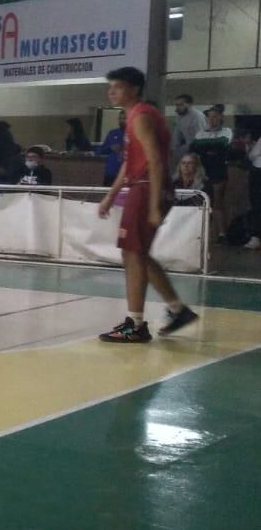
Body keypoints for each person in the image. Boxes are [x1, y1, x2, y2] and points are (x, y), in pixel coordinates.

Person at [96, 67, 198, 343]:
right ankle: (175, 310)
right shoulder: (134, 117)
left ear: (134, 89)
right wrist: (110, 195)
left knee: (133, 253)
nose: (112, 91)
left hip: (146, 189)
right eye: (111, 87)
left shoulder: (141, 115)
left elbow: (155, 160)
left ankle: (136, 324)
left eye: (117, 86)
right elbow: (131, 162)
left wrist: (153, 205)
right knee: (135, 253)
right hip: (141, 187)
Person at [190, 106, 234, 239]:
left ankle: (221, 233)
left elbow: (222, 144)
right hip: (203, 171)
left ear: (220, 117)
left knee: (216, 203)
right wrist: (210, 147)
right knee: (200, 202)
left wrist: (206, 146)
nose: (211, 119)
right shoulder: (200, 133)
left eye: (214, 116)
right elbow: (194, 147)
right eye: (209, 117)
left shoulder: (226, 131)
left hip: (218, 171)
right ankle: (201, 232)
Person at [168, 94, 202, 161]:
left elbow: (201, 136)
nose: (178, 107)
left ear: (189, 105)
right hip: (187, 146)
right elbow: (177, 135)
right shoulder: (179, 116)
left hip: (197, 147)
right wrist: (172, 149)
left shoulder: (197, 116)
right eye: (176, 105)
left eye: (181, 105)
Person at [96, 110, 126, 186]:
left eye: (125, 118)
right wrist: (110, 147)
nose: (122, 121)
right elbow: (101, 150)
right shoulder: (112, 133)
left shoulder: (134, 133)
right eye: (120, 118)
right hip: (111, 172)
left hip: (125, 173)